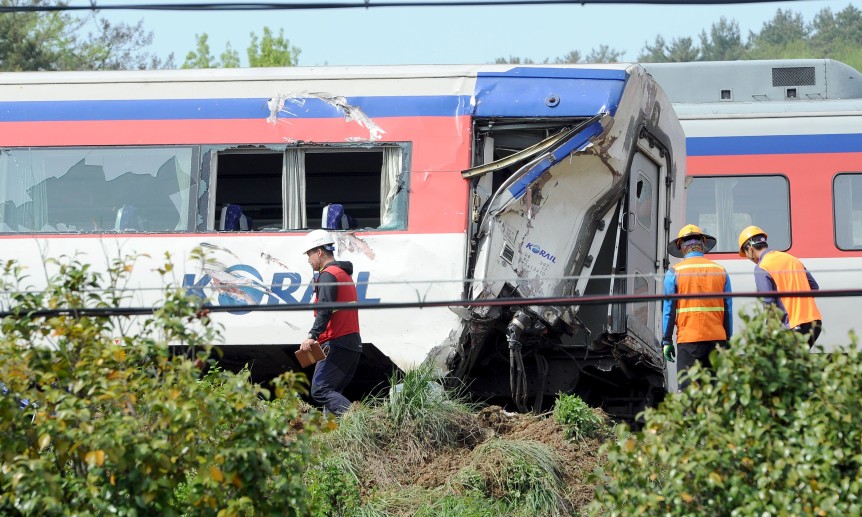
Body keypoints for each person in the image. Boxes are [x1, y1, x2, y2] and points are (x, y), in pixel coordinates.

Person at [299, 229, 362, 416]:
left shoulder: (328, 275)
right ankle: (336, 436)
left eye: (309, 254)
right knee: (332, 392)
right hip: (352, 343)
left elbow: (324, 309)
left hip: (336, 341)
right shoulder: (343, 274)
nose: (308, 260)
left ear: (319, 252)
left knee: (320, 389)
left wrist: (312, 336)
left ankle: (355, 418)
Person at [662, 224, 732, 390]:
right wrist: (727, 339)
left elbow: (668, 311)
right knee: (717, 393)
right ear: (703, 243)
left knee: (689, 393)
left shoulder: (674, 272)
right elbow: (728, 308)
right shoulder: (720, 271)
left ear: (681, 247)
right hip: (717, 340)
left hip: (689, 341)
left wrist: (666, 340)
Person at [738, 226, 823, 347]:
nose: (749, 258)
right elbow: (814, 287)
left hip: (795, 326)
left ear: (749, 249)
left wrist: (767, 331)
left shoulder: (762, 267)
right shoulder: (793, 259)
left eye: (746, 254)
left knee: (783, 363)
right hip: (815, 323)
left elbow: (768, 301)